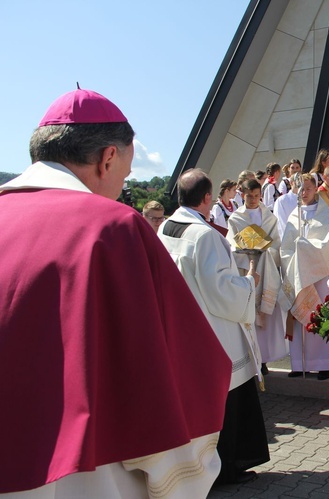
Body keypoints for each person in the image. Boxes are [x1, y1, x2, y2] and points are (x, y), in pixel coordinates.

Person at [0, 88, 230, 496]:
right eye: (124, 174)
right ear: (108, 158)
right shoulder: (113, 228)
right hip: (84, 469)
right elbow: (172, 366)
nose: (122, 185)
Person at [158, 169, 270, 485]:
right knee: (230, 398)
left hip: (183, 328)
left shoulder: (166, 226)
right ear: (208, 198)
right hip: (215, 330)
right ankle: (228, 468)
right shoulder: (205, 235)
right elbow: (221, 290)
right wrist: (249, 282)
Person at [279, 174, 329, 380]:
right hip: (299, 275)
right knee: (300, 318)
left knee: (321, 314)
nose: (304, 193)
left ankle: (324, 363)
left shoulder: (326, 216)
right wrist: (297, 254)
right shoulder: (293, 216)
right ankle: (299, 363)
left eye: (308, 188)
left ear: (316, 189)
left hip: (319, 275)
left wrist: (305, 248)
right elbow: (286, 249)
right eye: (301, 189)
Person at [226, 179, 287, 372]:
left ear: (261, 194)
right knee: (249, 317)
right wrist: (249, 254)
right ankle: (251, 358)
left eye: (256, 195)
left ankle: (264, 359)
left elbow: (276, 244)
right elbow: (232, 247)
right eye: (249, 196)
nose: (253, 199)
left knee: (265, 319)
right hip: (247, 270)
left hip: (266, 269)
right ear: (242, 194)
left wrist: (267, 253)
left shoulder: (269, 217)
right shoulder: (235, 218)